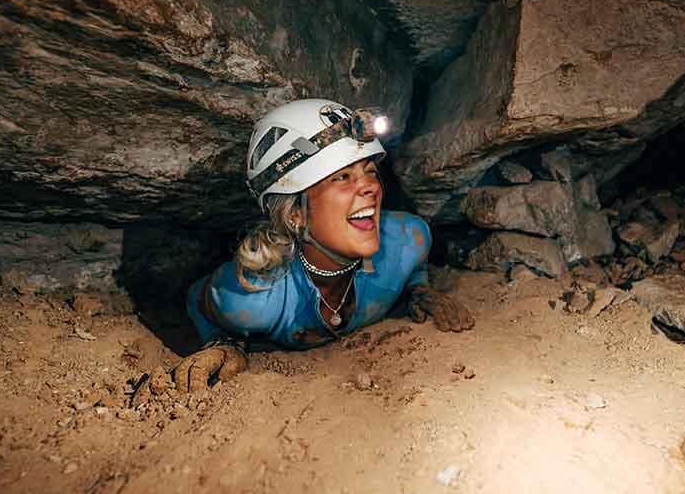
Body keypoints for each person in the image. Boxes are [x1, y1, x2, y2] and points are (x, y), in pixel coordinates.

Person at [173, 99, 474, 391]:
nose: (370, 186)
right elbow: (196, 297)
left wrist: (418, 289)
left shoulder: (409, 240)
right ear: (295, 214)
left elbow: (414, 267)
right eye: (343, 177)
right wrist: (223, 341)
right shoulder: (252, 299)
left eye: (370, 171)